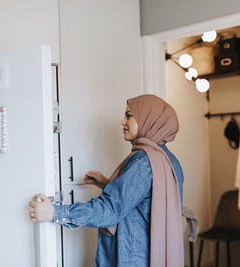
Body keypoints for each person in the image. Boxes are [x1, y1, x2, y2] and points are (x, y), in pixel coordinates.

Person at [28, 94, 185, 267]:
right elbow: (146, 201)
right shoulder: (170, 161)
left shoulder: (142, 161)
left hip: (132, 259)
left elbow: (110, 210)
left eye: (129, 115)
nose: (122, 122)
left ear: (148, 119)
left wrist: (56, 213)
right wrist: (109, 183)